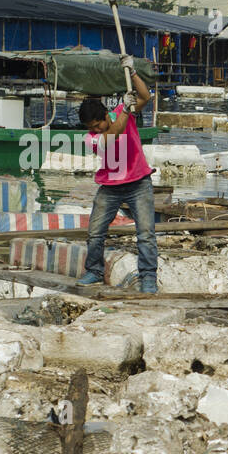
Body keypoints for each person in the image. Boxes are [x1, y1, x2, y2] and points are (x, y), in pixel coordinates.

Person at [77, 57, 157, 293]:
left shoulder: (121, 112)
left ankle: (149, 277)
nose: (95, 130)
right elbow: (113, 135)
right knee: (95, 232)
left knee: (145, 233)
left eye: (97, 125)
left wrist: (132, 73)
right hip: (110, 186)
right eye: (91, 128)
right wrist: (125, 109)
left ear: (104, 116)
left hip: (138, 182)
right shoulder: (92, 138)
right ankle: (93, 270)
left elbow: (145, 96)